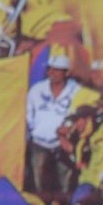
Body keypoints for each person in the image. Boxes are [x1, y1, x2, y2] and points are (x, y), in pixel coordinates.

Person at [25, 52, 82, 197]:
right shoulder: (37, 89)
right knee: (39, 182)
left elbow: (78, 115)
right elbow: (28, 113)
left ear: (67, 72)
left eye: (56, 70)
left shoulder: (77, 91)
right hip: (39, 143)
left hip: (65, 144)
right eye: (50, 69)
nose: (51, 73)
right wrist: (35, 131)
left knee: (66, 182)